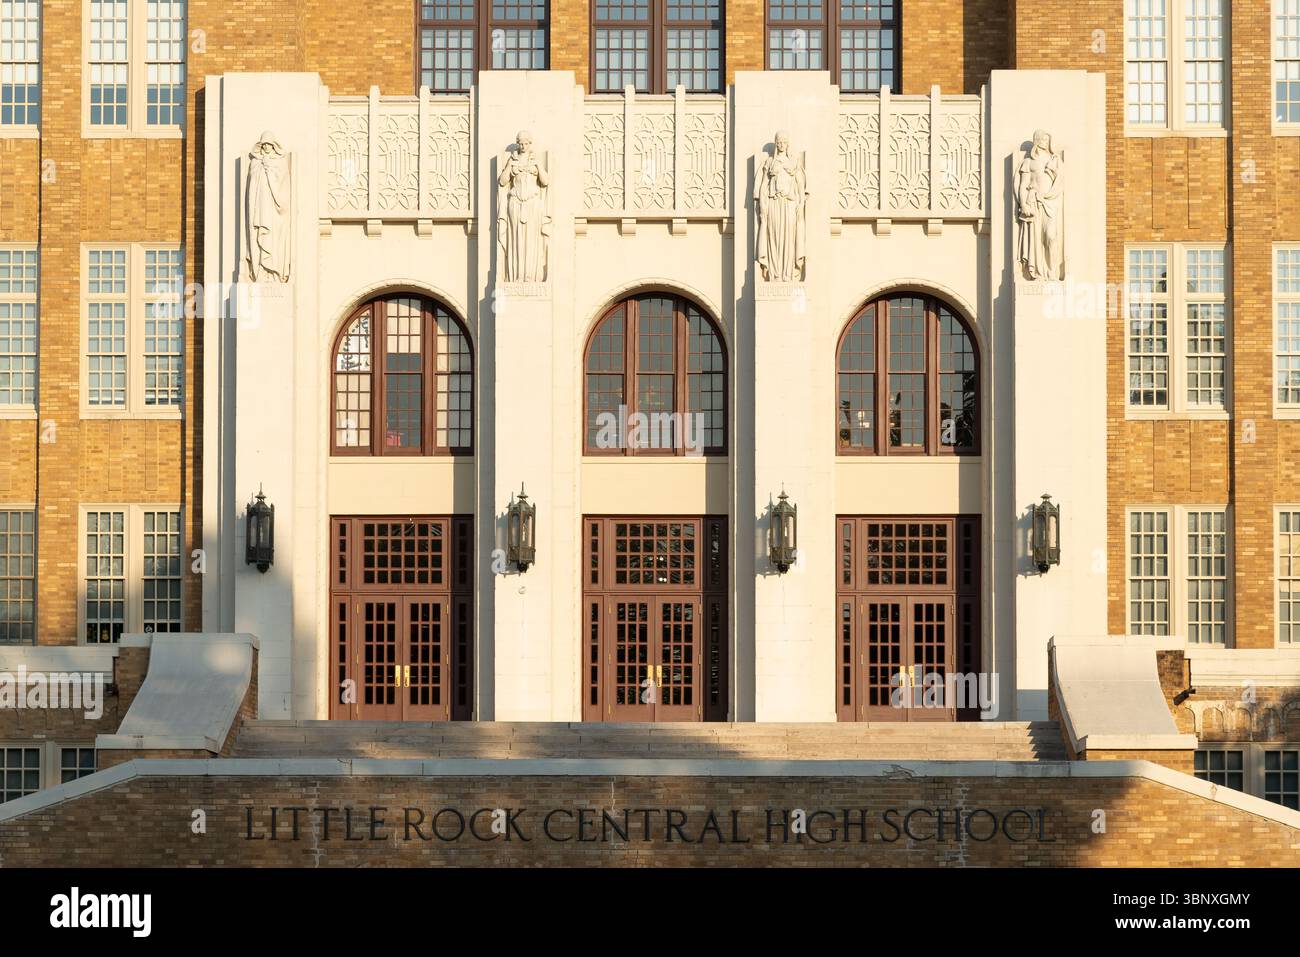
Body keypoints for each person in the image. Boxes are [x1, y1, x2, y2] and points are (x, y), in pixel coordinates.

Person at [497, 130, 551, 282]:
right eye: (520, 143)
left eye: (526, 143)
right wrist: (510, 166)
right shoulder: (512, 160)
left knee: (532, 241)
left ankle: (531, 276)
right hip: (515, 202)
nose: (523, 146)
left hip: (533, 203)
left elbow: (545, 181)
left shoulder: (535, 160)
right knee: (516, 239)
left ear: (530, 143)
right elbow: (502, 181)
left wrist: (538, 165)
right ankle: (516, 276)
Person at [755, 131, 808, 283]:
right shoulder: (770, 162)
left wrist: (800, 204)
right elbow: (763, 185)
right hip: (773, 203)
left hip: (789, 204)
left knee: (789, 238)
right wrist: (763, 205)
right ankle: (774, 273)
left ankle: (788, 273)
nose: (781, 144)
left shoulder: (793, 163)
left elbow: (800, 186)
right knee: (774, 237)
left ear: (787, 144)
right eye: (778, 142)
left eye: (784, 142)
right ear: (776, 143)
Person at [1017, 129, 1065, 281]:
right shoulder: (1028, 162)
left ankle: (1052, 272)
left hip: (1051, 203)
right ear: (1037, 141)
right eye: (1042, 140)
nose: (1045, 143)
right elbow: (1023, 185)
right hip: (1034, 203)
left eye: (1047, 140)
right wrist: (1024, 204)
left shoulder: (1055, 160)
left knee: (1051, 236)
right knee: (1036, 240)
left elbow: (1060, 181)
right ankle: (1037, 272)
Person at [246, 131, 291, 283]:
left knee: (273, 239)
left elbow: (282, 184)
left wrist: (270, 171)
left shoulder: (279, 162)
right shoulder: (255, 162)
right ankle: (260, 271)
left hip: (273, 210)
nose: (266, 147)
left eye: (269, 144)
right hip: (259, 208)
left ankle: (274, 271)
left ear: (274, 146)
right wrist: (262, 168)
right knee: (260, 235)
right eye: (263, 144)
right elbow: (252, 186)